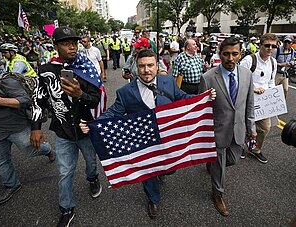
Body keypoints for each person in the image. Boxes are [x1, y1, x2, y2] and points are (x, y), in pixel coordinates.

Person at [80, 49, 216, 219]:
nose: (146, 70)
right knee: (149, 172)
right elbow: (113, 113)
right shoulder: (126, 92)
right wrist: (93, 125)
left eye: (150, 65)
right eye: (142, 66)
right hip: (145, 142)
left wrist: (204, 97)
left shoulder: (168, 82)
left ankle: (162, 172)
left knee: (168, 170)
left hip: (168, 138)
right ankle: (153, 198)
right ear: (136, 67)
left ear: (157, 66)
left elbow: (182, 98)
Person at [30, 26, 102, 227]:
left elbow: (96, 100)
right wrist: (36, 127)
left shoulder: (86, 67)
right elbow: (38, 100)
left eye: (74, 43)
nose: (71, 47)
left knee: (91, 163)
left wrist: (80, 95)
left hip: (86, 128)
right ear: (55, 46)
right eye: (65, 43)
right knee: (64, 171)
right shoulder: (45, 70)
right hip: (62, 131)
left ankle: (93, 178)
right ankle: (66, 208)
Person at [0, 55, 54, 205]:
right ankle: (12, 185)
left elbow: (26, 100)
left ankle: (48, 150)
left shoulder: (5, 81)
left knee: (33, 150)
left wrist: (0, 101)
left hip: (16, 128)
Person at [199, 37, 256, 217]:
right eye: (226, 54)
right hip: (216, 131)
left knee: (232, 160)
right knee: (220, 165)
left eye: (234, 54)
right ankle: (218, 194)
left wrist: (251, 127)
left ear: (240, 54)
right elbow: (200, 109)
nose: (230, 58)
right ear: (219, 54)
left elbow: (249, 104)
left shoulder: (247, 75)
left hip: (238, 130)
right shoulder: (208, 78)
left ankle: (211, 164)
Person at [240, 33, 278, 164]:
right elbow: (239, 80)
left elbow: (271, 82)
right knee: (244, 126)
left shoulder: (273, 62)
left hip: (263, 102)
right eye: (267, 45)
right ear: (260, 45)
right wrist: (254, 88)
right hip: (247, 100)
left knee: (265, 128)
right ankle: (240, 147)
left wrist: (272, 96)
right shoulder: (249, 60)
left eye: (273, 46)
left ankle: (255, 149)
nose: (270, 48)